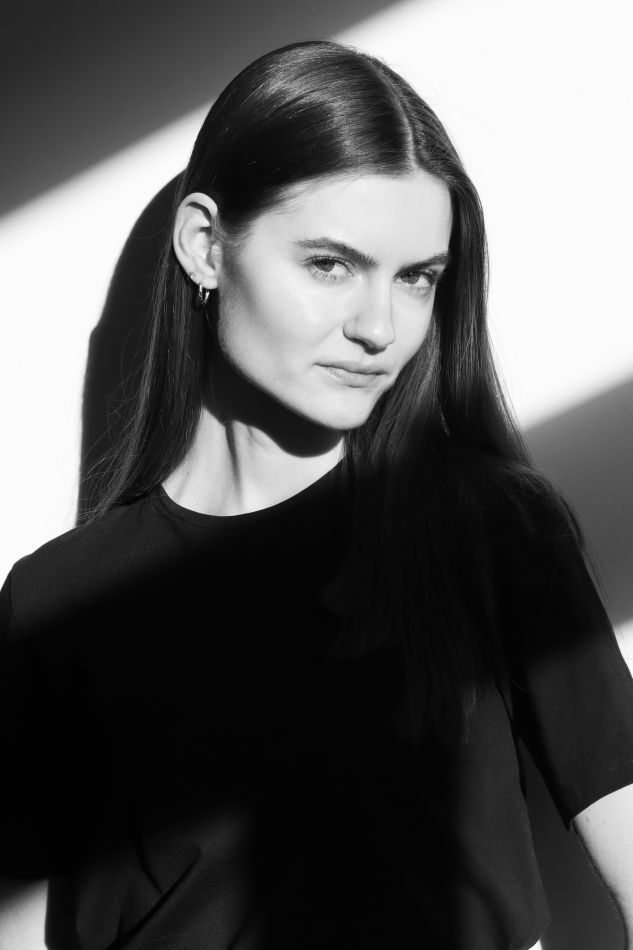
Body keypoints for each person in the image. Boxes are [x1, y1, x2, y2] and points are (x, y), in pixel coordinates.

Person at [1, 38, 632, 950]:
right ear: (205, 245)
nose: (379, 327)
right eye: (330, 264)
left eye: (416, 278)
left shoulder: (486, 528)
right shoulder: (54, 599)